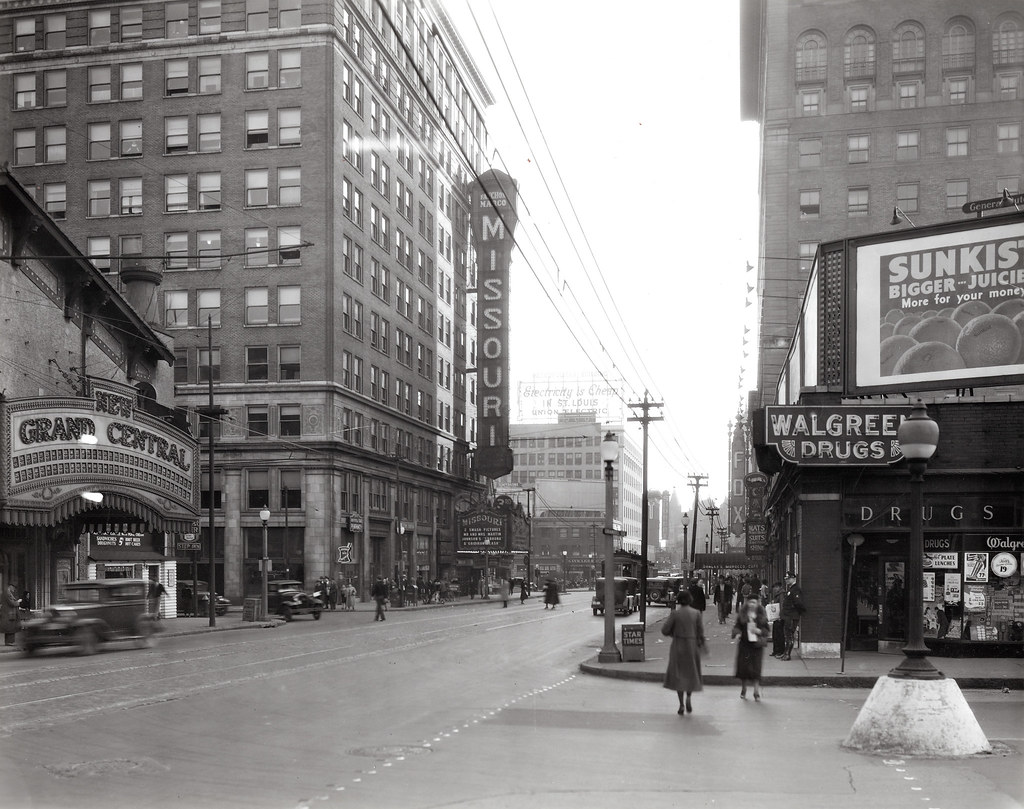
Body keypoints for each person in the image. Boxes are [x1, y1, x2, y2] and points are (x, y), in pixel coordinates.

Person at [661, 589, 704, 715]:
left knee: (679, 675)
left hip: (678, 645)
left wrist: (673, 633)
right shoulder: (696, 613)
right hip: (692, 645)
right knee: (691, 673)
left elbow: (665, 630)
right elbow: (700, 632)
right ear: (690, 600)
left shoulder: (675, 614)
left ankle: (681, 704)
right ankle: (689, 697)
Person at [732, 596, 770, 700]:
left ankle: (756, 692)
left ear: (758, 604)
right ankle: (743, 689)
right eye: (750, 602)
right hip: (745, 644)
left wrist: (759, 631)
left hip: (756, 645)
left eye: (754, 602)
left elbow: (767, 630)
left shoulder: (761, 616)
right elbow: (737, 626)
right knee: (743, 668)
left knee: (756, 669)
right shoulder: (742, 615)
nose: (752, 604)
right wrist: (738, 633)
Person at [779, 570, 806, 661]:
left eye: (788, 578)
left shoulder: (795, 589)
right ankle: (785, 653)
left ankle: (787, 654)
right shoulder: (791, 589)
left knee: (789, 635)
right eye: (786, 578)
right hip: (788, 616)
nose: (786, 580)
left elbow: (798, 603)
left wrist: (799, 612)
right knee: (787, 635)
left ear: (793, 578)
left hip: (791, 616)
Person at [769, 582, 786, 657]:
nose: (774, 590)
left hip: (779, 617)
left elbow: (782, 605)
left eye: (775, 588)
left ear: (778, 587)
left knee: (779, 634)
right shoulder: (777, 595)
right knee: (775, 634)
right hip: (776, 617)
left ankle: (780, 651)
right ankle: (776, 650)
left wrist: (780, 616)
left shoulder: (781, 594)